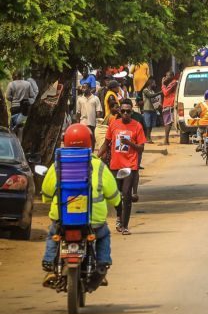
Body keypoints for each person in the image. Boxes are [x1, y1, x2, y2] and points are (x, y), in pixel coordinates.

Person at [40, 124, 121, 283]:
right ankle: (103, 264)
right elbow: (112, 194)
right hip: (93, 220)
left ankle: (49, 261)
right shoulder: (98, 166)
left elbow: (47, 191)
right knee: (103, 235)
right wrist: (118, 203)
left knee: (53, 234)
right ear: (90, 142)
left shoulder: (58, 164)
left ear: (65, 141)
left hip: (63, 218)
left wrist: (47, 199)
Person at [97, 98, 146, 235]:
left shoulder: (137, 126)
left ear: (132, 112)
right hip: (115, 165)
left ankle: (124, 226)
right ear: (120, 111)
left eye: (128, 111)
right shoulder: (114, 124)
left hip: (129, 166)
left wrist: (130, 144)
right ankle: (119, 217)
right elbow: (106, 143)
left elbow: (141, 148)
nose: (125, 113)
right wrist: (96, 157)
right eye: (123, 111)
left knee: (126, 195)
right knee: (116, 196)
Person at [160, 71, 178, 145]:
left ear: (172, 76)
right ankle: (166, 140)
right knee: (167, 122)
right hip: (167, 104)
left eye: (169, 76)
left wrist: (163, 84)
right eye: (166, 75)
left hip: (169, 104)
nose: (167, 77)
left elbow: (166, 93)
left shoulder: (173, 83)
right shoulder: (171, 83)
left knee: (167, 122)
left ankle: (166, 140)